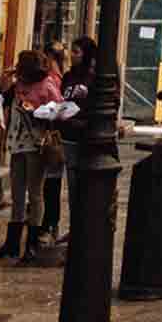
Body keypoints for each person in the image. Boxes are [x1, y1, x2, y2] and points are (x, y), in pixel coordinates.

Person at [0, 50, 63, 263]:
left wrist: (37, 112)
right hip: (16, 144)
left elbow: (59, 111)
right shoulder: (18, 85)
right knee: (17, 194)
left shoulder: (46, 85)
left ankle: (31, 245)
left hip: (36, 145)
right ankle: (11, 244)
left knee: (35, 193)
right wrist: (4, 81)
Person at [57, 36, 98, 245]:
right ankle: (75, 228)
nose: (72, 56)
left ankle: (81, 230)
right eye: (71, 51)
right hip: (66, 137)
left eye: (76, 52)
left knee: (80, 187)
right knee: (71, 187)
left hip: (82, 139)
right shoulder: (68, 76)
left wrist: (79, 120)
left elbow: (94, 109)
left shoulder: (94, 79)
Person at [40, 42, 67, 242]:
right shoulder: (62, 78)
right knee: (51, 182)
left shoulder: (53, 80)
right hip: (55, 136)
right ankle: (50, 221)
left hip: (52, 137)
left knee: (50, 183)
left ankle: (49, 222)